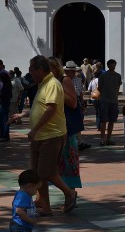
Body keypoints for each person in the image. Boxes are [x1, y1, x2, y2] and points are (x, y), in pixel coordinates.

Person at [10, 55, 77, 215]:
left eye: (31, 70)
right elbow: (38, 108)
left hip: (51, 135)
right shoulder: (43, 83)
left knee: (46, 173)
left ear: (40, 70)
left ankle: (69, 193)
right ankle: (44, 205)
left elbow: (51, 109)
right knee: (37, 174)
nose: (30, 74)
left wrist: (34, 130)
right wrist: (22, 115)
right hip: (41, 136)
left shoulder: (52, 84)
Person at [51, 59, 84, 191]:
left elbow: (73, 102)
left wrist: (57, 91)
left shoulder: (64, 81)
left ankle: (71, 194)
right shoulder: (50, 81)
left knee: (68, 159)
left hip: (67, 126)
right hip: (55, 126)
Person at [98, 59, 122, 146]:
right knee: (103, 121)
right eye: (111, 65)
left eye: (114, 65)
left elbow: (118, 87)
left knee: (112, 121)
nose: (113, 66)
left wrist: (115, 96)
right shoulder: (103, 76)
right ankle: (102, 139)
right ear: (108, 66)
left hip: (114, 101)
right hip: (104, 100)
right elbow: (99, 88)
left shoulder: (118, 76)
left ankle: (108, 139)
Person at [0, 71, 13, 141]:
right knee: (5, 120)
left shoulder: (4, 85)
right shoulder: (8, 85)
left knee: (3, 120)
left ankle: (4, 135)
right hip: (6, 103)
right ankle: (5, 135)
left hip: (3, 103)